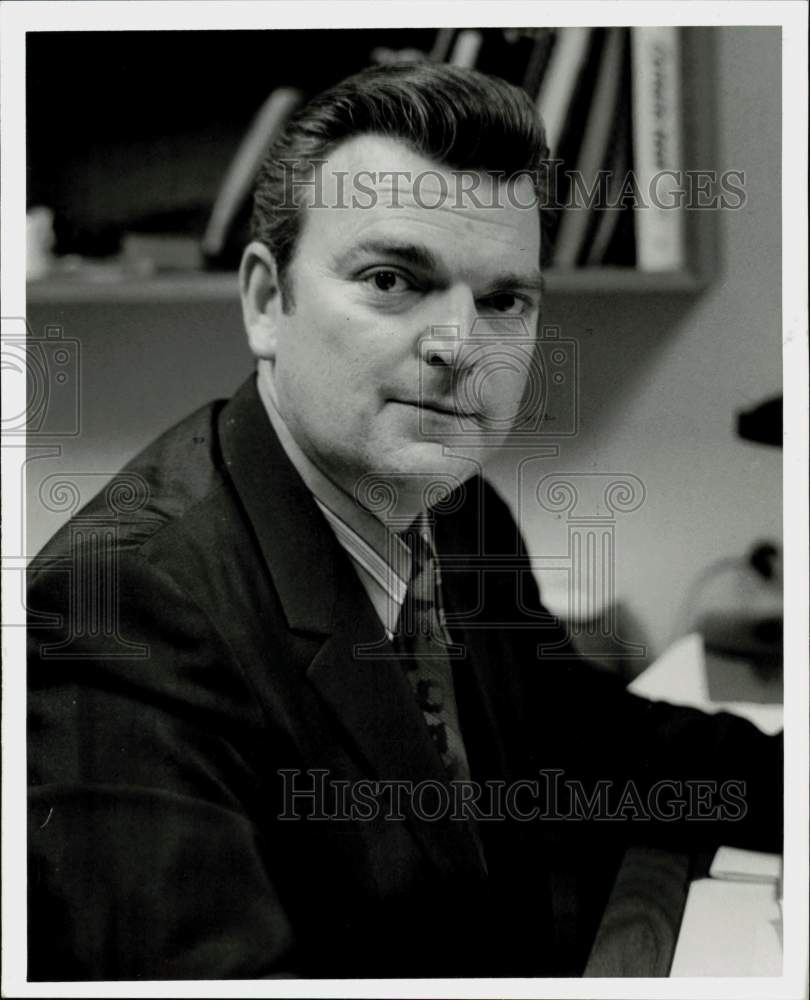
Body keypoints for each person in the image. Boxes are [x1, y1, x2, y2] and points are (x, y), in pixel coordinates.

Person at [27, 62, 781, 981]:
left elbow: (574, 732)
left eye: (504, 299)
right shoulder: (123, 609)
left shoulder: (455, 507)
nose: (461, 347)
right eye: (392, 279)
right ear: (268, 301)